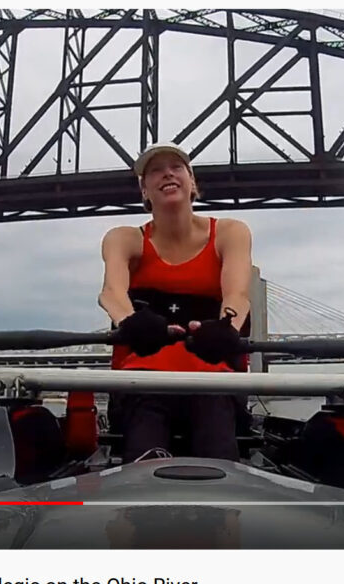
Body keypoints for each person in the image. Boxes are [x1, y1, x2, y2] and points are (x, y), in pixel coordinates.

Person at [98, 142, 253, 462]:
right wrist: (131, 322)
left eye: (176, 167)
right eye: (155, 170)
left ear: (192, 183)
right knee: (144, 461)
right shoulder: (124, 237)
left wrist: (226, 328)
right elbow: (111, 293)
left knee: (217, 457)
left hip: (211, 382)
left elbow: (237, 295)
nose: (167, 172)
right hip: (144, 381)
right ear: (144, 191)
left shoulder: (230, 232)